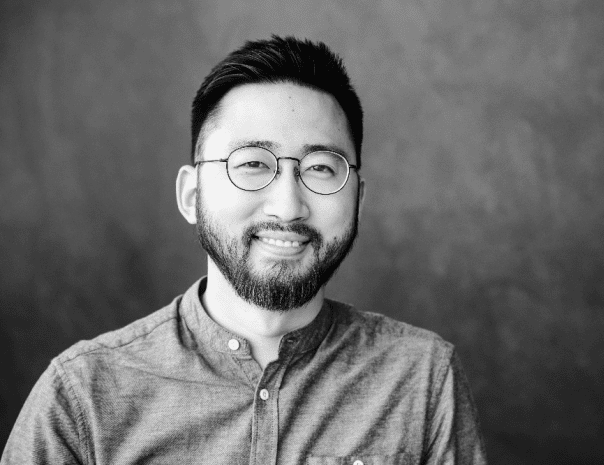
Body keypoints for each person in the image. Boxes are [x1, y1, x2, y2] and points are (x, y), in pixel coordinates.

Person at [2, 36, 486, 464]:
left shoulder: (422, 377)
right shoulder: (82, 396)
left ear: (357, 199)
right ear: (191, 195)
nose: (289, 206)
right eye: (253, 163)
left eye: (321, 168)